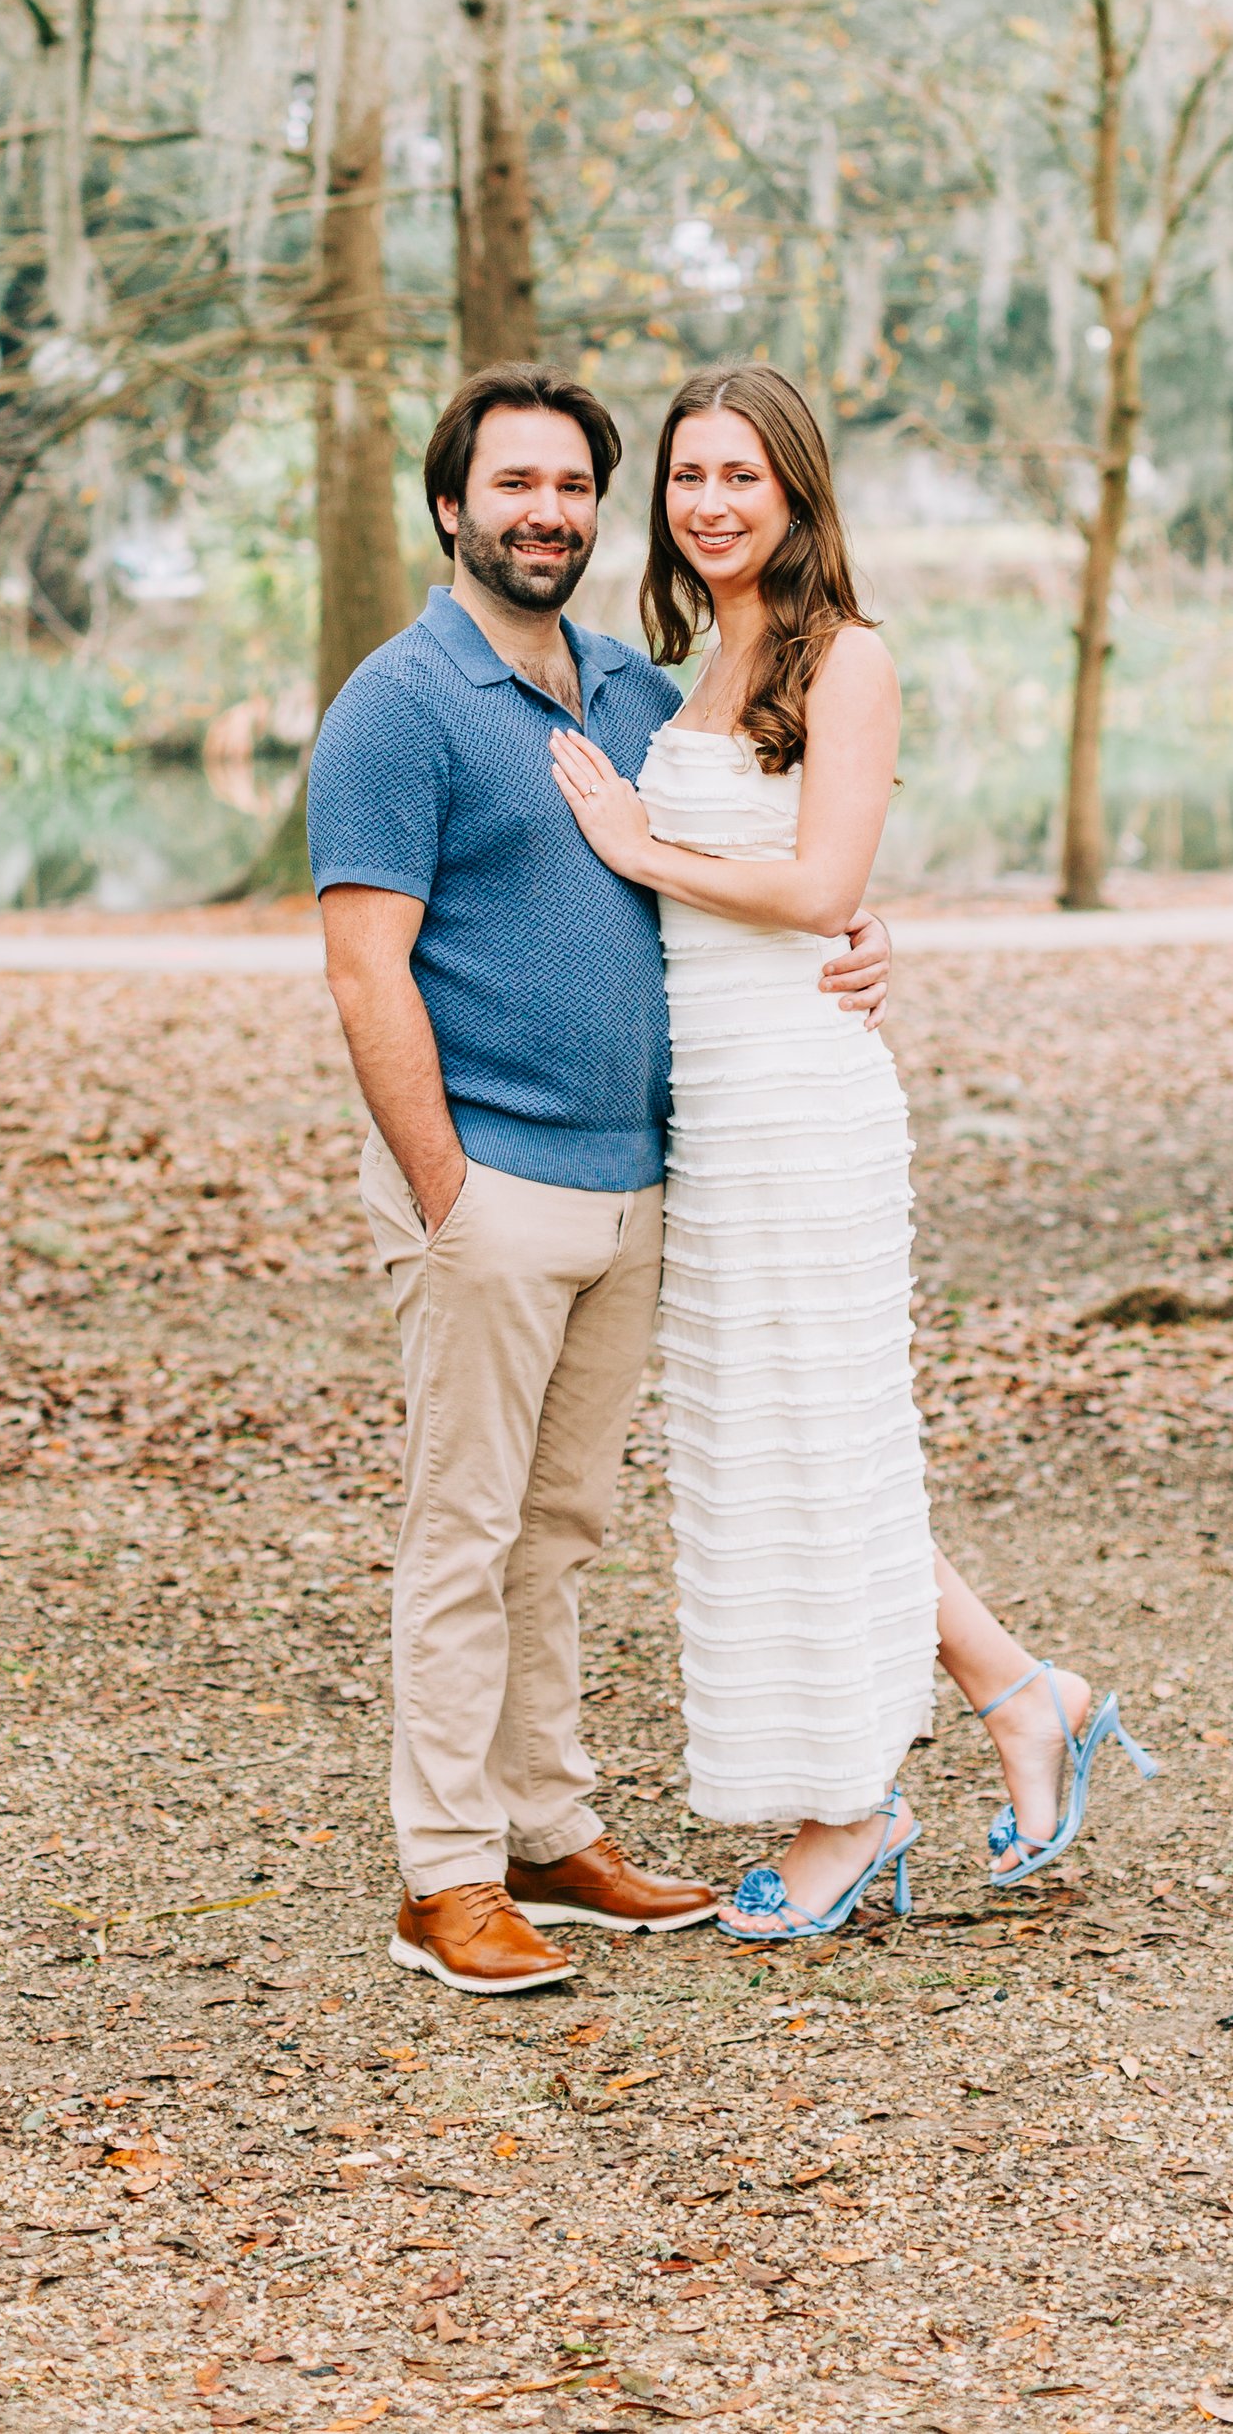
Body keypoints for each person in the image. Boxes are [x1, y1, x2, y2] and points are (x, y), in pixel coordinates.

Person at [546, 363, 1157, 1939]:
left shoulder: (850, 658)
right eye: (688, 475)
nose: (711, 501)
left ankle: (850, 1807)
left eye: (742, 473)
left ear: (799, 490)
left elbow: (823, 886)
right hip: (714, 1105)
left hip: (806, 1102)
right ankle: (1024, 1693)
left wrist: (651, 847)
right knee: (791, 1445)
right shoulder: (666, 671)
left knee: (815, 1441)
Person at [307, 363, 895, 1996]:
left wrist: (864, 931)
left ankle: (549, 1829)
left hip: (640, 1188)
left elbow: (756, 856)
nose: (547, 513)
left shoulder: (637, 690)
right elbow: (366, 975)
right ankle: (444, 1874)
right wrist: (445, 1186)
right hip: (490, 1184)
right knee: (462, 1528)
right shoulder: (397, 704)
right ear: (451, 505)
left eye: (573, 487)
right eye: (514, 486)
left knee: (558, 1528)